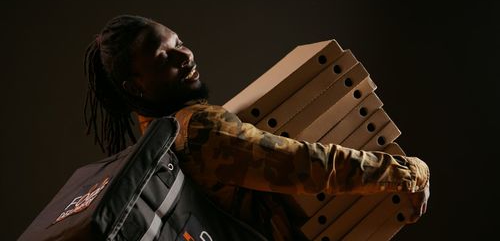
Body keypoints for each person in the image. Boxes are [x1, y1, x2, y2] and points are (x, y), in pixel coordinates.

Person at [83, 14, 430, 240]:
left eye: (178, 42)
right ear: (136, 87)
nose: (185, 56)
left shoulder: (157, 143)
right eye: (163, 57)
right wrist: (408, 173)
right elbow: (303, 165)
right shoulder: (197, 130)